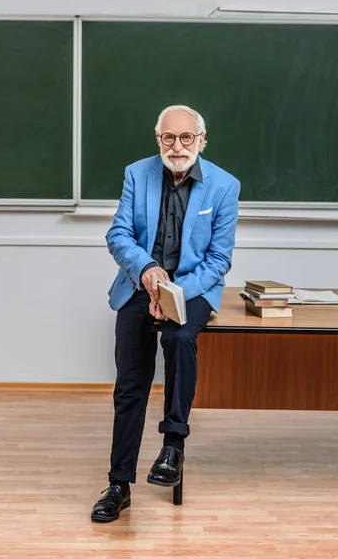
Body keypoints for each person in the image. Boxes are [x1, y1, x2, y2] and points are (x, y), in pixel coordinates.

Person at [91, 105, 240, 522]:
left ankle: (173, 444)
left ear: (201, 141)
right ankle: (118, 484)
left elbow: (218, 260)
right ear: (158, 140)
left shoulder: (225, 186)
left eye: (186, 138)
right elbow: (118, 233)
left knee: (178, 337)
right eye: (169, 138)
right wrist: (147, 271)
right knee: (131, 385)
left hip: (192, 287)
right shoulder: (137, 174)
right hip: (141, 284)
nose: (178, 146)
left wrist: (176, 289)